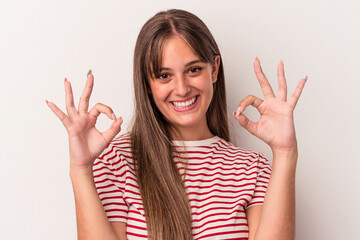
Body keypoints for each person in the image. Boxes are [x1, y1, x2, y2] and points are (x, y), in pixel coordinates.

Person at [46, 9, 306, 240]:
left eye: (193, 70)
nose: (181, 89)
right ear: (147, 83)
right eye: (164, 75)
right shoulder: (118, 162)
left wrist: (285, 153)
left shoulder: (251, 169)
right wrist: (80, 169)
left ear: (214, 69)